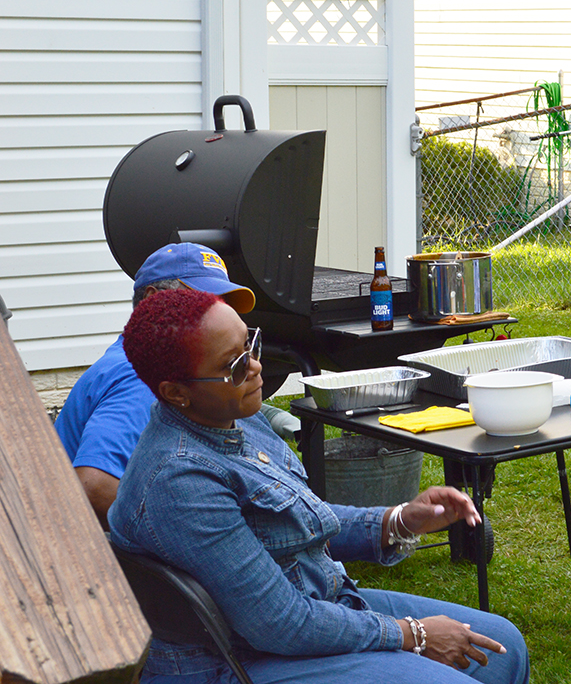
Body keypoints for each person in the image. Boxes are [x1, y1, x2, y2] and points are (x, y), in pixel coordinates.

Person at [109, 288, 529, 684]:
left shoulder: (235, 414)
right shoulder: (180, 481)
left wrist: (398, 520)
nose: (255, 366)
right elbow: (281, 624)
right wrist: (413, 634)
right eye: (233, 365)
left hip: (312, 606)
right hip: (239, 662)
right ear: (176, 392)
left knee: (505, 650)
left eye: (250, 344)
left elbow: (296, 519)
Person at [54, 242, 299, 528]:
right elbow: (94, 486)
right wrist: (189, 535)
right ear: (152, 301)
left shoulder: (134, 357)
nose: (220, 314)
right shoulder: (143, 377)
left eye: (225, 303)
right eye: (204, 301)